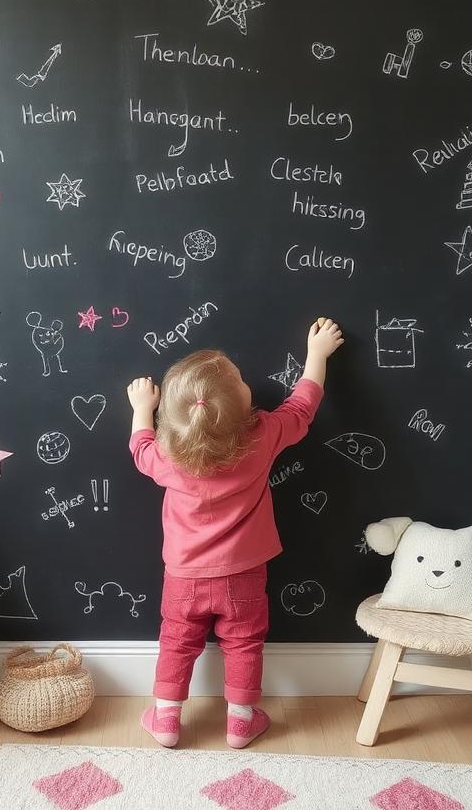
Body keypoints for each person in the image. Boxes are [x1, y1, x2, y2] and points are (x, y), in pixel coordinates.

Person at [127, 318, 344, 748]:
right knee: (244, 644)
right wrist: (316, 355)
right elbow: (302, 407)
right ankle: (241, 721)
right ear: (239, 409)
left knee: (176, 641)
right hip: (244, 574)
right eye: (242, 381)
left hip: (184, 578)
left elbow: (140, 449)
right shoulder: (261, 437)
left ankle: (167, 718)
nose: (249, 382)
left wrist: (140, 410)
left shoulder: (168, 456)